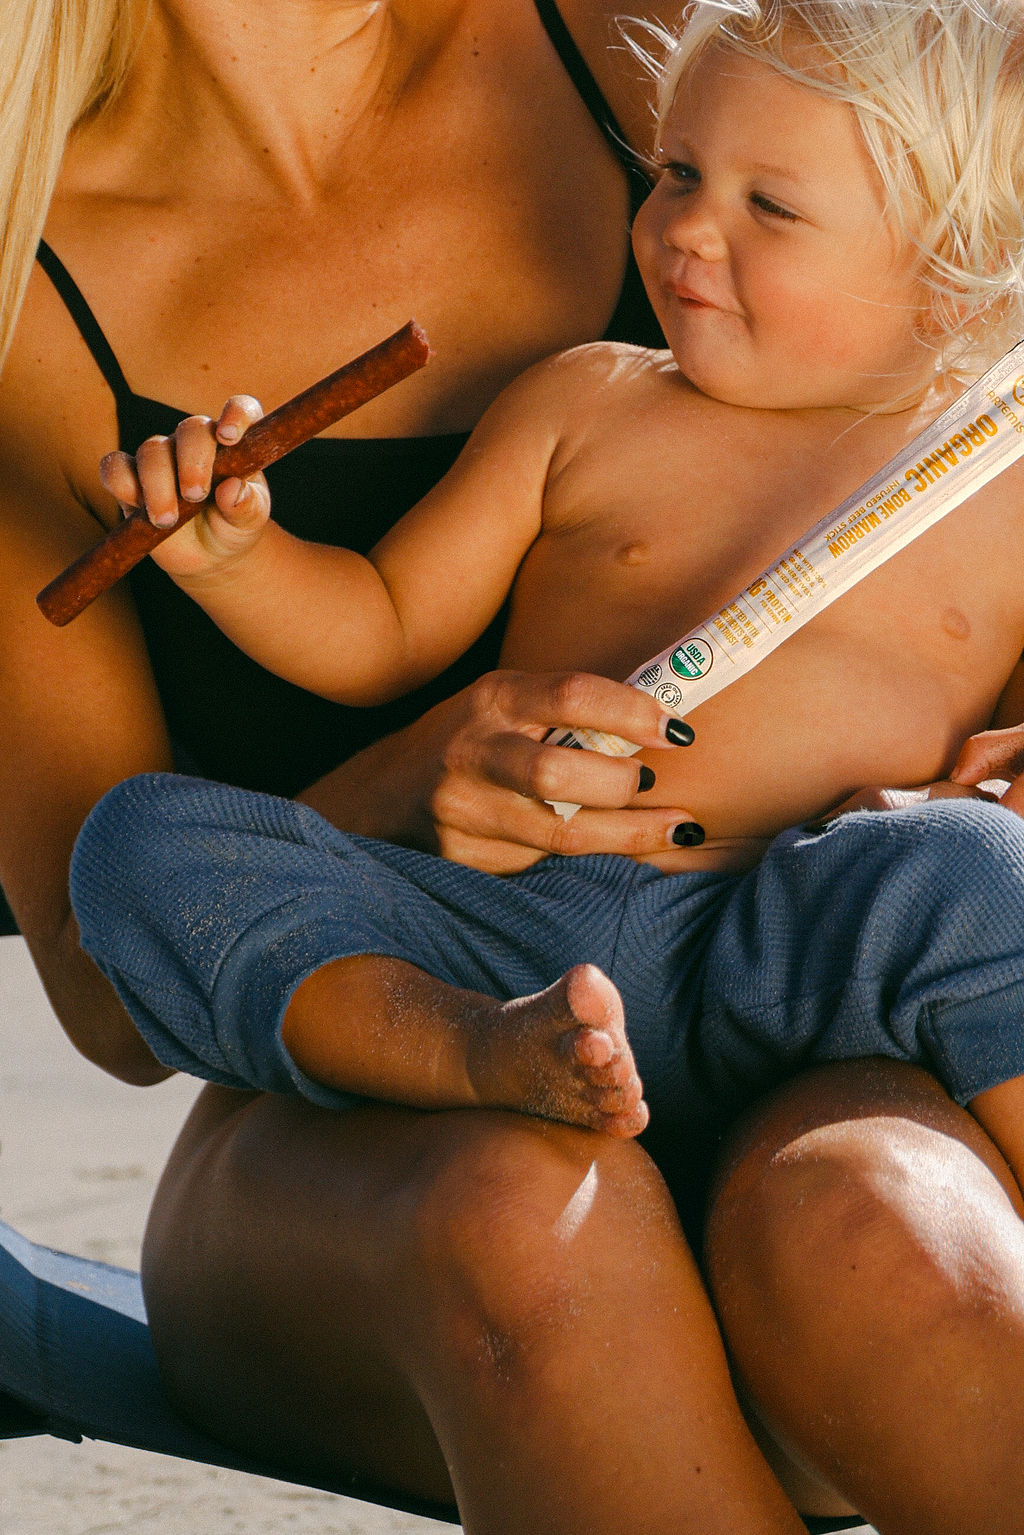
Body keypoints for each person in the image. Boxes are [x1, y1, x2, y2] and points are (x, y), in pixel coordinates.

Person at [64, 0, 1024, 1528]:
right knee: (137, 844)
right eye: (673, 176)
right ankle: (465, 1052)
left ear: (960, 261)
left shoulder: (992, 477)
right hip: (509, 935)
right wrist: (235, 559)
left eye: (768, 208)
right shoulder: (585, 402)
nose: (690, 232)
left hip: (791, 947)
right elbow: (379, 631)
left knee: (974, 871)